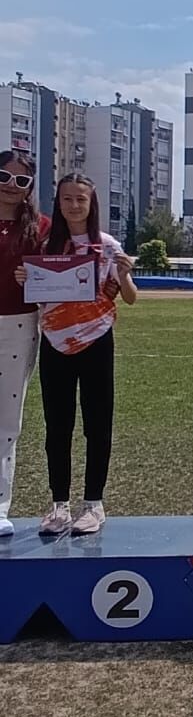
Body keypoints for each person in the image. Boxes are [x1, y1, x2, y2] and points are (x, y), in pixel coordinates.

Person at [20, 174, 137, 536]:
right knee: (58, 427)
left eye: (80, 200)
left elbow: (129, 297)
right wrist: (26, 277)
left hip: (98, 341)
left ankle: (93, 504)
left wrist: (125, 274)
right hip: (55, 342)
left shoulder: (106, 245)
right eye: (67, 199)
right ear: (58, 202)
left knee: (97, 425)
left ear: (92, 203)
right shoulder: (43, 243)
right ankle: (58, 506)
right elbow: (36, 292)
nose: (74, 206)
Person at [0, 151, 49, 537]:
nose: (11, 186)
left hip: (17, 324)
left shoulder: (42, 227)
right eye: (4, 176)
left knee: (6, 420)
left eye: (22, 181)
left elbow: (58, 275)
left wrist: (31, 279)